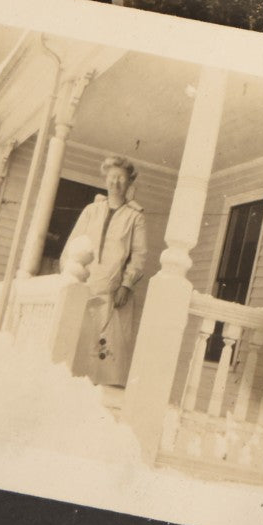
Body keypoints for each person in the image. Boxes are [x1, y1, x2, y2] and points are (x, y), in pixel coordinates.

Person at [62, 154, 149, 386]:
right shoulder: (91, 210)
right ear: (105, 179)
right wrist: (68, 276)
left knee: (104, 351)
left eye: (121, 178)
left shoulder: (135, 217)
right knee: (76, 342)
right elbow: (73, 244)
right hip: (85, 285)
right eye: (112, 177)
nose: (115, 182)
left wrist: (126, 285)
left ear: (129, 182)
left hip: (113, 292)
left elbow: (139, 255)